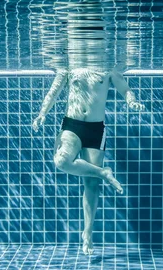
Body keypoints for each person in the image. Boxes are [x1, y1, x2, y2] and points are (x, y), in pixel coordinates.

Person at [32, 67, 145, 255]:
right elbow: (54, 91)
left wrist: (131, 101)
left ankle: (88, 232)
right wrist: (42, 113)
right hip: (72, 125)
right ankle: (104, 172)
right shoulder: (68, 67)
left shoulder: (108, 67)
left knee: (91, 183)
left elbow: (124, 88)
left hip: (95, 130)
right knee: (61, 160)